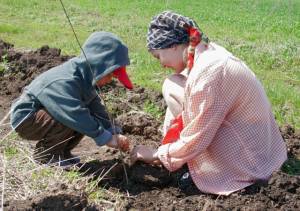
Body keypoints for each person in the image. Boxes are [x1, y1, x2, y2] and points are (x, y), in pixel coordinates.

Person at [130, 11, 287, 195]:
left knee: (173, 88)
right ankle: (177, 152)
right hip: (263, 148)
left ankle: (199, 163)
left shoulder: (209, 73)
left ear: (172, 46)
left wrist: (157, 154)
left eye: (158, 56)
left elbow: (198, 138)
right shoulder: (206, 52)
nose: (161, 64)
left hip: (252, 164)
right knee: (172, 84)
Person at [10, 31, 133, 166]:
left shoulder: (85, 78)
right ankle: (46, 155)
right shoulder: (65, 80)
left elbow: (95, 107)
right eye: (110, 75)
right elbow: (73, 113)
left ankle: (62, 152)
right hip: (26, 119)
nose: (110, 80)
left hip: (48, 114)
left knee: (85, 115)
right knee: (75, 117)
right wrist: (106, 138)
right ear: (98, 64)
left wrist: (112, 129)